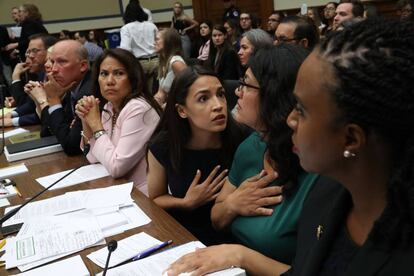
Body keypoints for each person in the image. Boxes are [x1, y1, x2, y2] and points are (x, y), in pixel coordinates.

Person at [167, 18, 414, 276]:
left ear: (351, 139)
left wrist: (242, 255)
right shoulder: (328, 194)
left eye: (301, 110)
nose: (290, 119)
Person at [166, 43, 313, 275]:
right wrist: (233, 204)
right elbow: (217, 217)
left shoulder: (317, 169)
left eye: (245, 84)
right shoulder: (252, 146)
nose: (237, 92)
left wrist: (241, 256)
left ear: (274, 95)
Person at [147, 65, 247, 245]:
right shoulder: (163, 145)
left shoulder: (243, 138)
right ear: (182, 110)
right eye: (203, 98)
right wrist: (185, 203)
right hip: (184, 236)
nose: (218, 106)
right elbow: (155, 198)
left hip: (236, 237)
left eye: (221, 94)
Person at [75, 48, 161, 194]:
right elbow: (93, 157)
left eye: (119, 73)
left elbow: (116, 167)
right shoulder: (110, 106)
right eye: (104, 74)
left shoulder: (138, 108)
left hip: (144, 196)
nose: (109, 81)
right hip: (120, 189)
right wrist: (86, 119)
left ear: (133, 78)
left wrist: (95, 124)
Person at [25, 40, 92, 155]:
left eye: (62, 62)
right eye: (52, 62)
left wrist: (51, 100)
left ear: (83, 66)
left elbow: (71, 146)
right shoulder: (70, 85)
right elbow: (48, 130)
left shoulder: (89, 91)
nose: (54, 69)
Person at [0, 34, 57, 127]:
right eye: (28, 52)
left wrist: (13, 121)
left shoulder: (57, 78)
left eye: (34, 51)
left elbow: (50, 114)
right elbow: (31, 104)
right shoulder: (42, 75)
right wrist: (12, 114)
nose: (30, 56)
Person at [120, 1, 158, 95]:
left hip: (140, 63)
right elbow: (159, 43)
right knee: (153, 92)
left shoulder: (126, 28)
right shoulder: (151, 25)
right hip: (156, 61)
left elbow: (125, 49)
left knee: (140, 93)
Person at [153, 28, 187, 105]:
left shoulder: (176, 63)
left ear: (168, 42)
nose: (154, 43)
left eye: (157, 39)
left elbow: (189, 90)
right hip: (169, 105)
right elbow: (161, 94)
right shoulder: (163, 63)